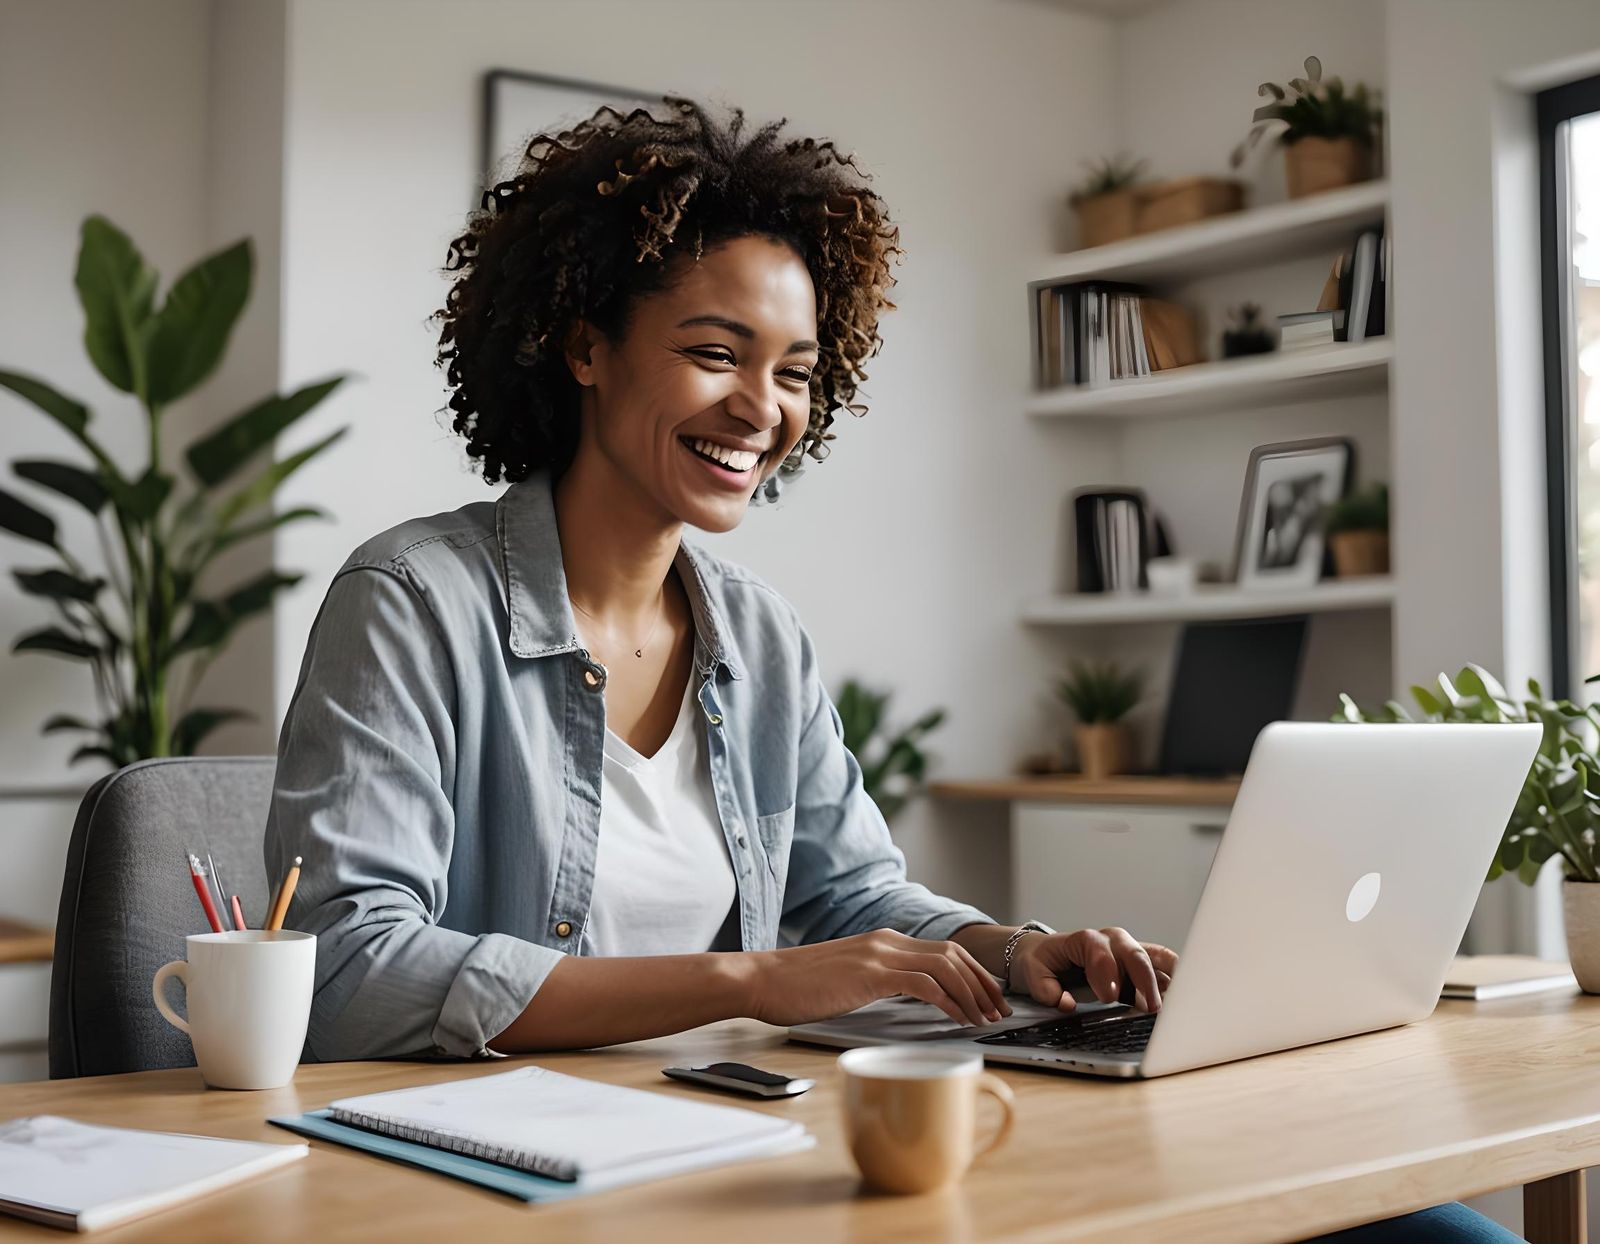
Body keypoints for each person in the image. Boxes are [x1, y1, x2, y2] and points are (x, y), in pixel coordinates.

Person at [262, 97, 1519, 1244]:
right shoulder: (415, 604)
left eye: (797, 371)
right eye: (716, 351)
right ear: (585, 345)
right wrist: (753, 979)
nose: (763, 405)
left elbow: (847, 897)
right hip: (504, 1191)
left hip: (757, 1151)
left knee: (1415, 1227)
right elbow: (347, 967)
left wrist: (1009, 949)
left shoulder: (757, 635)